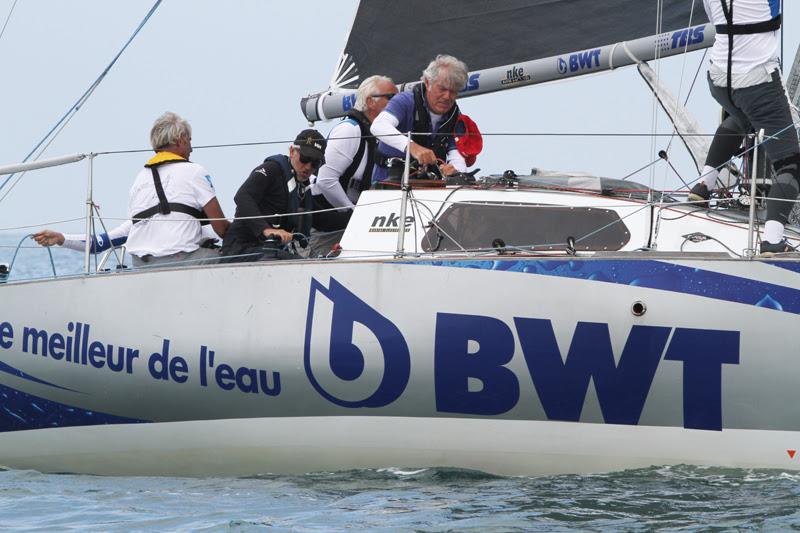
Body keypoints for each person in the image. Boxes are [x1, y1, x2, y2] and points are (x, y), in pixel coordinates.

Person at [689, 0, 799, 254]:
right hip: (757, 82)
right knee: (790, 163)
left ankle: (703, 186)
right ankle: (773, 240)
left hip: (718, 80)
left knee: (744, 119)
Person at [309, 75, 398, 256]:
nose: (398, 104)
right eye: (392, 98)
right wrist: (354, 213)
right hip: (327, 225)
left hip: (351, 221)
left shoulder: (379, 134)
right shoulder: (349, 130)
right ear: (370, 102)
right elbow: (326, 180)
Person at [126, 112, 229, 267]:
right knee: (239, 256)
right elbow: (221, 229)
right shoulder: (194, 171)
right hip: (180, 260)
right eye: (189, 141)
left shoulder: (139, 178)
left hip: (140, 263)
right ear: (180, 140)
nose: (191, 148)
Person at [221, 129, 326, 262]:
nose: (308, 167)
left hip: (269, 252)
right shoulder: (272, 169)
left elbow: (324, 218)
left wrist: (358, 211)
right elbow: (242, 196)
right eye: (305, 158)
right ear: (292, 151)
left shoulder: (302, 191)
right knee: (295, 263)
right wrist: (266, 230)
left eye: (315, 163)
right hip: (239, 250)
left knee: (308, 262)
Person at [370, 54, 469, 182]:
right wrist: (412, 147)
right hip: (386, 187)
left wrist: (454, 169)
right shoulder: (405, 101)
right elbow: (378, 126)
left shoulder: (454, 115)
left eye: (453, 91)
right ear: (428, 83)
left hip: (426, 191)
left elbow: (457, 156)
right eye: (442, 89)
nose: (447, 96)